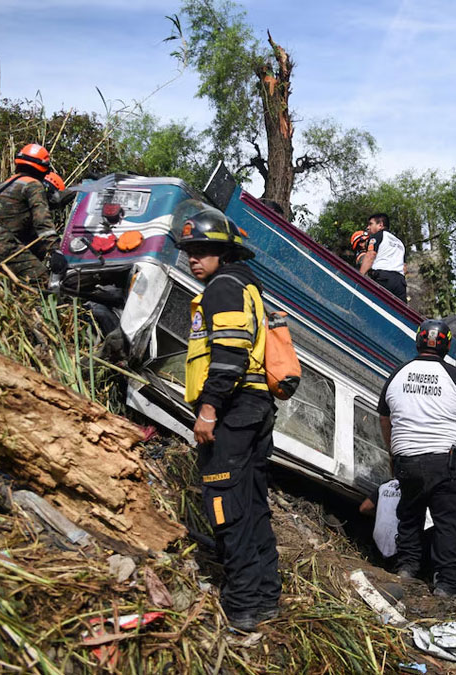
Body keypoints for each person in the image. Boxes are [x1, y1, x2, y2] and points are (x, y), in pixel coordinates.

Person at [179, 211, 280, 632]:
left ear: (223, 253)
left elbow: (230, 355)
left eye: (203, 252)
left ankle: (241, 608)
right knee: (254, 503)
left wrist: (208, 410)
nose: (193, 260)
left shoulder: (223, 287)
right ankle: (266, 597)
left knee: (226, 505)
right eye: (189, 253)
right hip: (255, 409)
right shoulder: (246, 286)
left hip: (233, 410)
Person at [378, 319, 456, 597]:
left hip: (407, 462)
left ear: (418, 342)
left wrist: (394, 452)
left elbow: (384, 417)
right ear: (447, 345)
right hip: (444, 463)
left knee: (410, 515)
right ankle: (447, 586)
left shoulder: (398, 374)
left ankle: (406, 569)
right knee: (448, 522)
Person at [0, 143, 58, 281]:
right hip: (1, 247)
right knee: (42, 279)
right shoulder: (33, 185)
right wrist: (55, 251)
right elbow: (42, 221)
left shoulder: (5, 184)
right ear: (43, 169)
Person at [359, 479, 436, 567]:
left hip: (377, 547)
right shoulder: (418, 487)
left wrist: (381, 513)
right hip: (402, 548)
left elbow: (364, 508)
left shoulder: (384, 486)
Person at [358, 213, 407, 302]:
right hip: (400, 283)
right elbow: (404, 267)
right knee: (398, 313)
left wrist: (359, 278)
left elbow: (370, 256)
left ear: (380, 225)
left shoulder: (378, 236)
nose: (368, 227)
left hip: (383, 279)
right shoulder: (400, 243)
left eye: (370, 224)